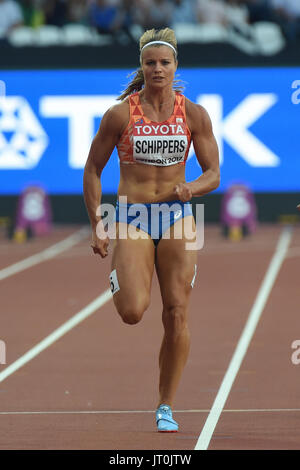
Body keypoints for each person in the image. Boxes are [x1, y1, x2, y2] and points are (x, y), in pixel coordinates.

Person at [83, 27, 220, 432]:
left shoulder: (193, 114)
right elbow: (93, 169)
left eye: (165, 62)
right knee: (132, 311)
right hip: (131, 216)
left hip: (179, 218)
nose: (158, 69)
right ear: (141, 68)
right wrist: (97, 222)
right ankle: (119, 277)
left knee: (177, 312)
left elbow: (213, 173)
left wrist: (190, 187)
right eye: (150, 63)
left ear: (176, 66)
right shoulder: (120, 114)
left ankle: (165, 405)